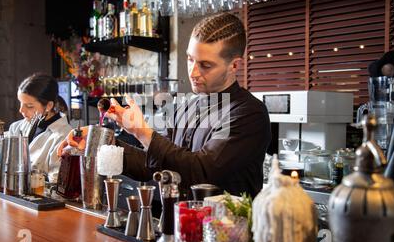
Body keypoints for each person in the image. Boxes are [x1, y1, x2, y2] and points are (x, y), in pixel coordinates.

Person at [58, 13, 271, 199]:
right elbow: (152, 164)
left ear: (234, 65)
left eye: (206, 65)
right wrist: (98, 142)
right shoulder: (186, 105)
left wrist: (142, 132)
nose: (193, 72)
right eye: (190, 59)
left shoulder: (248, 113)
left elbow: (201, 171)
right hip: (176, 229)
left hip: (225, 236)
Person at [9, 73, 72, 183]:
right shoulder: (16, 127)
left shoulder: (64, 136)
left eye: (29, 106)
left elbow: (57, 181)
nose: (21, 110)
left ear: (48, 106)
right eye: (20, 103)